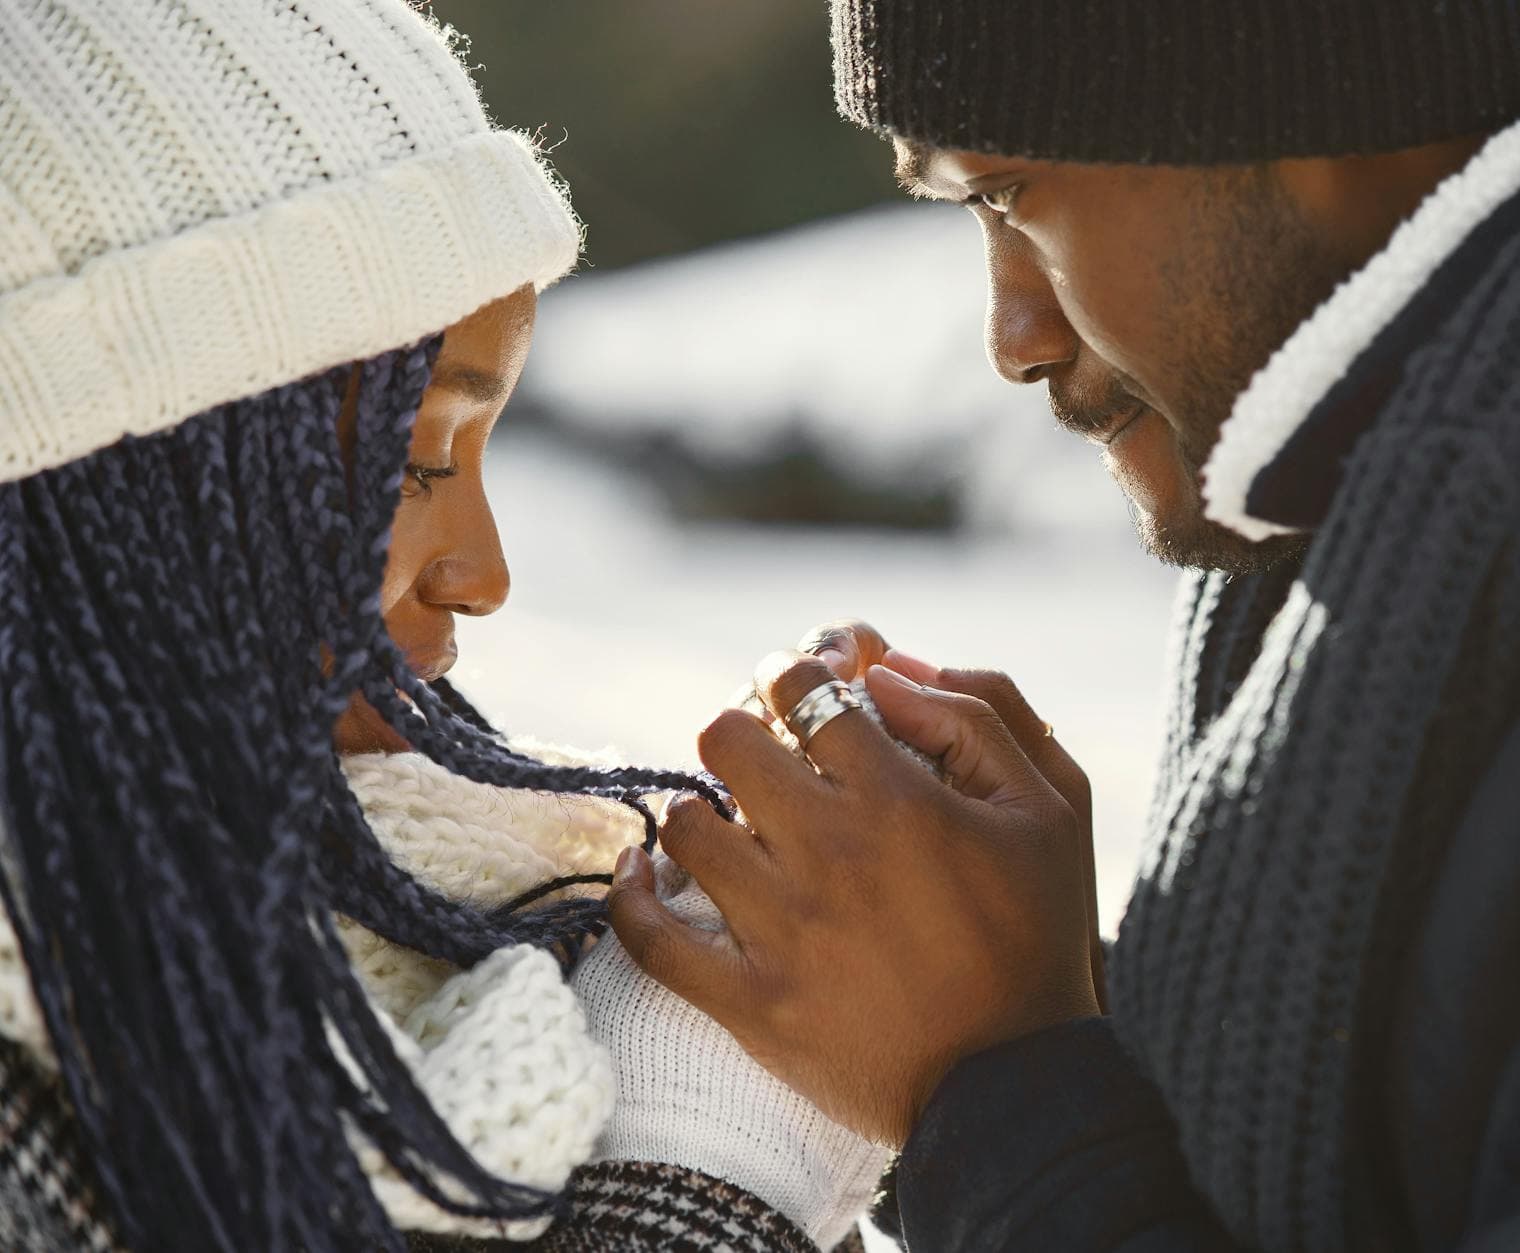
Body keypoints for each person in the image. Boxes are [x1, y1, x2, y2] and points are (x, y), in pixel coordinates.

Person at [606, 1, 1520, 1249]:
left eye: (1007, 195)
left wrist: (993, 1089)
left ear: (1306, 92)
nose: (1013, 337)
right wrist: (1047, 998)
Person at [0, 1, 884, 1249]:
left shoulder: (404, 904)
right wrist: (711, 1150)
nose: (483, 574)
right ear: (92, 494)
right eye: (412, 467)